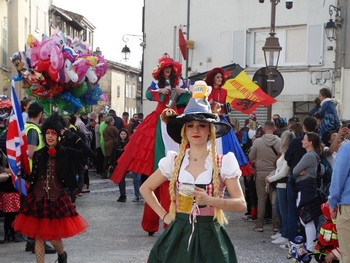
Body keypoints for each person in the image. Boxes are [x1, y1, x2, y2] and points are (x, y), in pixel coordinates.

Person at [140, 86, 246, 263]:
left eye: (201, 126)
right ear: (185, 131)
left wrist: (210, 200)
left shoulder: (223, 162)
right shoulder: (174, 161)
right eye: (190, 126)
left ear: (209, 130)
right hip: (178, 233)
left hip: (210, 235)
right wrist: (165, 216)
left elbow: (241, 205)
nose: (195, 130)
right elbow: (146, 188)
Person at [110, 53, 190, 235]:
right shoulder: (157, 85)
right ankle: (154, 223)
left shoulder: (179, 84)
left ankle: (164, 222)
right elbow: (147, 93)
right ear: (162, 71)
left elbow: (188, 97)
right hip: (160, 122)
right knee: (159, 171)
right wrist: (158, 92)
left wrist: (183, 93)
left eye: (170, 68)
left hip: (176, 120)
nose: (168, 70)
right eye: (165, 68)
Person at [12, 112, 94, 263]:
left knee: (55, 239)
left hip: (57, 200)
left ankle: (62, 255)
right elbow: (34, 176)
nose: (50, 136)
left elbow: (90, 153)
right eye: (47, 133)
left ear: (58, 136)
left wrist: (72, 136)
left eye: (53, 133)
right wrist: (22, 174)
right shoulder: (38, 154)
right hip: (37, 200)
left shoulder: (66, 152)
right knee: (39, 237)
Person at [205, 67, 252, 176]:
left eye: (221, 77)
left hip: (221, 119)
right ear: (212, 78)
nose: (220, 79)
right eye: (217, 77)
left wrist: (228, 108)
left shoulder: (224, 91)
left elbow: (224, 107)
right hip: (210, 119)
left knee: (229, 142)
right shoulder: (208, 90)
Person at [283, 116, 317, 249]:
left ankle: (293, 240)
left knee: (294, 210)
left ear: (304, 126)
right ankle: (306, 241)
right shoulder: (316, 147)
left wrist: (297, 169)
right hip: (310, 182)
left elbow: (288, 158)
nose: (303, 140)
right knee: (308, 213)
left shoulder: (298, 142)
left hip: (299, 181)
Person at [293, 131, 323, 253]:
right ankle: (311, 244)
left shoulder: (309, 156)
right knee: (307, 218)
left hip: (305, 188)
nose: (302, 141)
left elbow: (295, 171)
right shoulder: (314, 155)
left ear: (310, 143)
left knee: (306, 219)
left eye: (304, 139)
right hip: (309, 188)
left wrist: (300, 171)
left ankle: (310, 246)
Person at [249, 120, 281, 232]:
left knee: (261, 199)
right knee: (274, 200)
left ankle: (259, 225)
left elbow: (251, 157)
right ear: (274, 128)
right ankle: (275, 226)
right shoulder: (280, 141)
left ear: (264, 129)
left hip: (261, 173)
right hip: (275, 174)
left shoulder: (257, 142)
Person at [266, 130, 295, 246]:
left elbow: (284, 172)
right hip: (279, 184)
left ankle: (285, 234)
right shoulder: (284, 152)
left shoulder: (288, 153)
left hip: (283, 184)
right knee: (279, 209)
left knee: (283, 210)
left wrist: (271, 179)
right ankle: (282, 231)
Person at [328, 140, 350, 263]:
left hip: (348, 205)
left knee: (347, 253)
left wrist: (332, 202)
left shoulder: (347, 148)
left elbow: (338, 178)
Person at [0, 130, 21, 243]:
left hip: (8, 184)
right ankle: (10, 235)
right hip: (9, 185)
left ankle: (10, 235)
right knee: (10, 213)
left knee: (10, 212)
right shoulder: (10, 145)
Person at [115, 128, 130, 202]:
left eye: (124, 134)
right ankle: (122, 194)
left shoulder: (129, 143)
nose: (123, 136)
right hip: (118, 164)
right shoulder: (116, 143)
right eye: (122, 134)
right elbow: (113, 154)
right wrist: (111, 164)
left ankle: (123, 195)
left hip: (126, 163)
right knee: (121, 179)